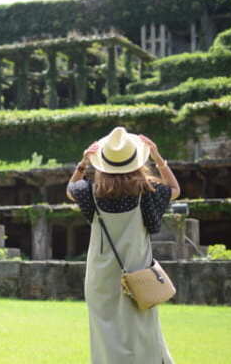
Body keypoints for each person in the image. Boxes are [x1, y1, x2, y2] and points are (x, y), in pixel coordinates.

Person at [66, 126, 181, 364]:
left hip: (100, 276)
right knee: (142, 329)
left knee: (105, 334)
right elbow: (175, 189)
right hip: (137, 272)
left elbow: (70, 190)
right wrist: (158, 158)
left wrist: (82, 164)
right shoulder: (148, 192)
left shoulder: (90, 191)